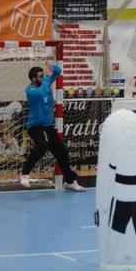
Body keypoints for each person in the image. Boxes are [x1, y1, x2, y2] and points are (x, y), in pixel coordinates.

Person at [20, 59, 85, 191]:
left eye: (43, 75)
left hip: (47, 125)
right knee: (42, 146)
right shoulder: (30, 90)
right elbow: (40, 93)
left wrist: (51, 65)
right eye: (40, 76)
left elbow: (59, 71)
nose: (43, 77)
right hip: (35, 126)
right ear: (33, 79)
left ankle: (70, 181)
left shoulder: (45, 82)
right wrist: (48, 78)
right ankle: (25, 173)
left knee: (62, 152)